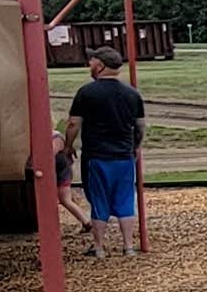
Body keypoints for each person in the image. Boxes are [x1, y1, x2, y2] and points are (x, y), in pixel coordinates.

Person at [60, 47, 147, 258]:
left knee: (99, 200)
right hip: (124, 156)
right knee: (125, 200)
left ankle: (99, 248)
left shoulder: (86, 93)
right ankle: (128, 247)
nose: (89, 65)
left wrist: (68, 146)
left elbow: (73, 123)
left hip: (97, 155)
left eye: (92, 62)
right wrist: (135, 145)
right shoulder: (132, 93)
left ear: (100, 66)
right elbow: (140, 125)